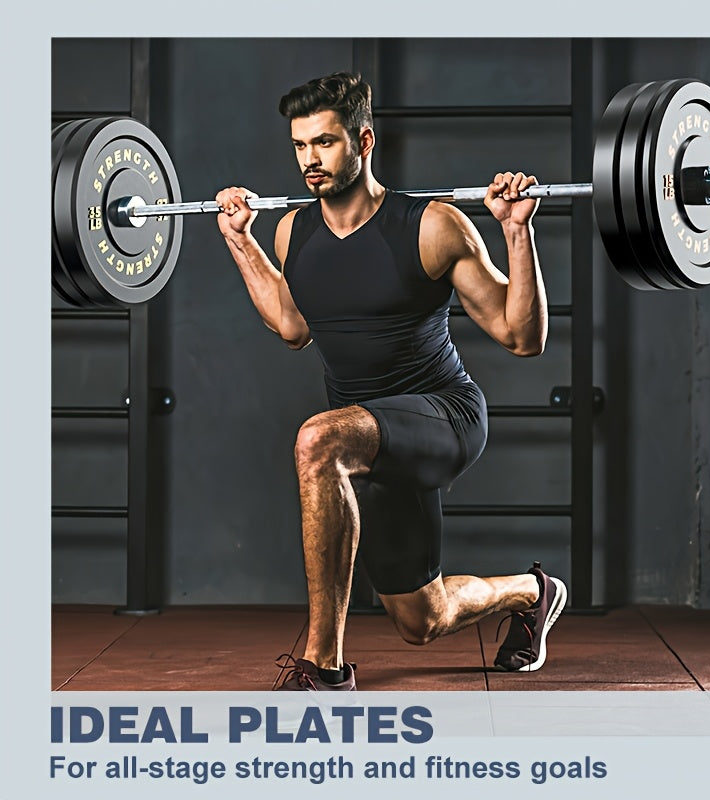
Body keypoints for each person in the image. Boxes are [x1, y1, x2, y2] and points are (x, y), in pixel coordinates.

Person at [215, 71, 567, 691]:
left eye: (324, 143)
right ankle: (530, 593)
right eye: (300, 146)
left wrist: (517, 231)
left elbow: (522, 336)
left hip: (444, 417)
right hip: (365, 444)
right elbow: (293, 326)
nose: (309, 161)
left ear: (364, 140)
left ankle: (323, 667)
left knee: (317, 439)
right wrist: (241, 243)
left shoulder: (432, 226)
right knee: (422, 618)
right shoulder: (293, 231)